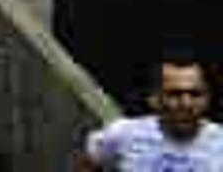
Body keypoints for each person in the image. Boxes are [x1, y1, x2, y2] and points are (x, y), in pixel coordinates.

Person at [84, 57, 222, 172]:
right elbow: (90, 160)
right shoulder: (123, 134)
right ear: (154, 100)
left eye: (195, 94)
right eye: (174, 94)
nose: (186, 103)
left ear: (208, 99)